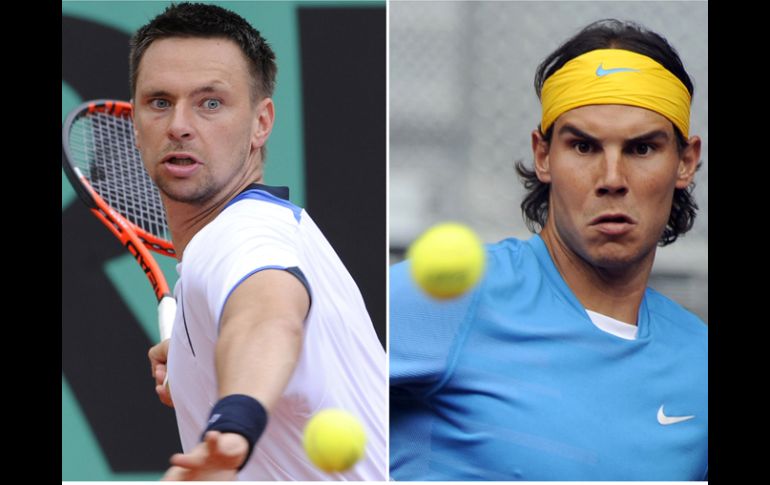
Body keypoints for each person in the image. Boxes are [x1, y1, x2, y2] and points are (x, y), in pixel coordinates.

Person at [389, 18, 707, 481]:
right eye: (583, 146)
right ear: (543, 156)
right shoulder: (453, 296)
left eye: (641, 149)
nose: (612, 179)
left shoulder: (699, 362)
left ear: (685, 162)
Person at [130, 2, 386, 480]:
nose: (179, 124)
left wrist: (234, 421)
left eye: (210, 103)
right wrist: (196, 368)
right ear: (135, 123)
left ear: (261, 123)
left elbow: (268, 314)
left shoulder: (241, 232)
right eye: (160, 102)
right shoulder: (266, 229)